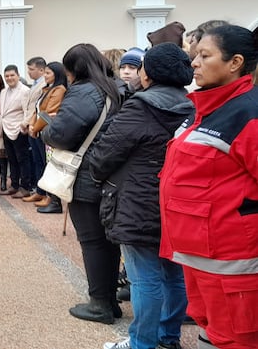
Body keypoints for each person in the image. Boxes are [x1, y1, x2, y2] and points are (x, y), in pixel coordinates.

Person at [159, 24, 258, 349]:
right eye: (194, 55)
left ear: (235, 63)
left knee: (234, 338)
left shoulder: (248, 114)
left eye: (204, 55)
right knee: (210, 330)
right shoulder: (204, 110)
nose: (194, 63)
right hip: (198, 254)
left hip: (233, 260)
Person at [90, 43, 194, 349]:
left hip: (138, 201)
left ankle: (142, 343)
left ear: (149, 73)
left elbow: (108, 151)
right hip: (177, 200)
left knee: (145, 276)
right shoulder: (194, 105)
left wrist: (97, 176)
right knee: (174, 273)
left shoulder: (142, 105)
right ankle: (167, 337)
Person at [40, 43, 122, 325]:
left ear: (74, 69)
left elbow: (62, 133)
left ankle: (99, 304)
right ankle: (110, 301)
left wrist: (47, 130)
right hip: (111, 173)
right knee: (108, 242)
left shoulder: (85, 92)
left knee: (92, 240)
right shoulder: (116, 87)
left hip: (87, 174)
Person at [29, 61, 68, 213]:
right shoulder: (47, 89)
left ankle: (54, 200)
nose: (44, 76)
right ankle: (46, 195)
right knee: (41, 163)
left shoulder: (59, 89)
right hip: (39, 130)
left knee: (49, 165)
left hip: (48, 131)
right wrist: (32, 125)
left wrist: (35, 128)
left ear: (57, 74)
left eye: (47, 73)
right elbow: (37, 110)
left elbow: (49, 112)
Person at [0, 65, 32, 198]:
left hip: (18, 129)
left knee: (22, 158)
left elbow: (28, 111)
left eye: (12, 75)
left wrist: (24, 125)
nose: (9, 78)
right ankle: (14, 185)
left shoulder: (25, 91)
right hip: (5, 128)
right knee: (11, 158)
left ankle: (25, 187)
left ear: (18, 75)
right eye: (7, 76)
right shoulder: (3, 92)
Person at [20, 57, 48, 203]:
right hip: (32, 125)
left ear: (41, 70)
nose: (29, 73)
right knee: (36, 160)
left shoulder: (44, 84)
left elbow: (37, 109)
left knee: (42, 161)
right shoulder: (35, 84)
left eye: (32, 69)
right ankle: (39, 190)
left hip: (39, 125)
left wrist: (28, 124)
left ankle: (45, 192)